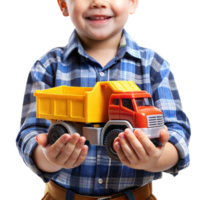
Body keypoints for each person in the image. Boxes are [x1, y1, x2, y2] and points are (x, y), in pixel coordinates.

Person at [15, 0, 191, 199]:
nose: (98, 2)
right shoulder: (48, 66)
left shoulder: (154, 66)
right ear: (63, 4)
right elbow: (29, 134)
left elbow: (178, 134)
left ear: (132, 3)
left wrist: (155, 160)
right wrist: (49, 158)